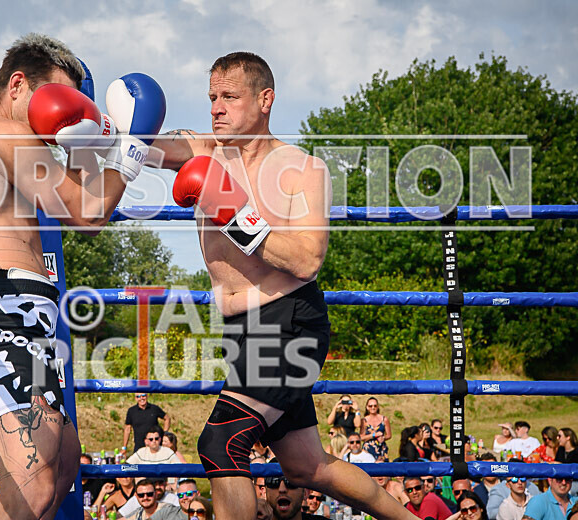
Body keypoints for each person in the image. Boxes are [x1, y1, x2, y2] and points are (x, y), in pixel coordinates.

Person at [156, 51, 417, 520]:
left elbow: (308, 258)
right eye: (212, 96)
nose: (216, 107)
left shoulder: (303, 168)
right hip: (239, 329)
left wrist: (238, 218)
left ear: (265, 99)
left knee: (221, 441)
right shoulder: (204, 152)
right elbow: (155, 145)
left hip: (290, 320)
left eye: (230, 97)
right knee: (306, 466)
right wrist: (105, 132)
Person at [0, 33, 165, 520]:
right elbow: (88, 213)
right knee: (34, 487)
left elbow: (74, 209)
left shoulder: (8, 141)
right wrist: (131, 147)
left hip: (25, 316)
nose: (57, 114)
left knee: (61, 472)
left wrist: (82, 135)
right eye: (55, 99)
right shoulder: (0, 131)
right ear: (18, 85)